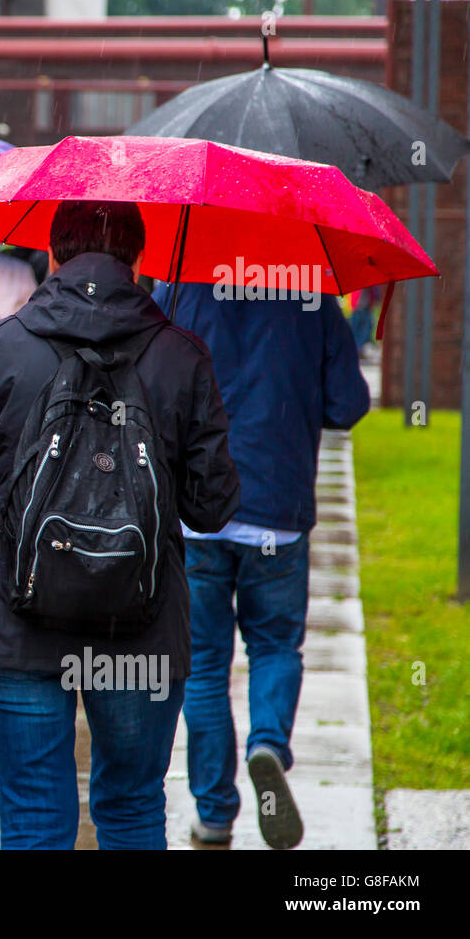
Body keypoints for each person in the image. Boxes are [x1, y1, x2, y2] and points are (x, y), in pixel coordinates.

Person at [0, 200, 241, 850]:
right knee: (130, 809)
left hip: (15, 625)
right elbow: (212, 506)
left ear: (53, 253)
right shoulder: (183, 356)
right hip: (141, 627)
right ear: (138, 258)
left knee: (35, 816)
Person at [153, 279, 369, 849]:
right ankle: (267, 742)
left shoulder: (179, 282)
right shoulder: (311, 296)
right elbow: (346, 405)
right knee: (274, 646)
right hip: (278, 510)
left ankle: (215, 811)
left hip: (197, 514)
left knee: (201, 666)